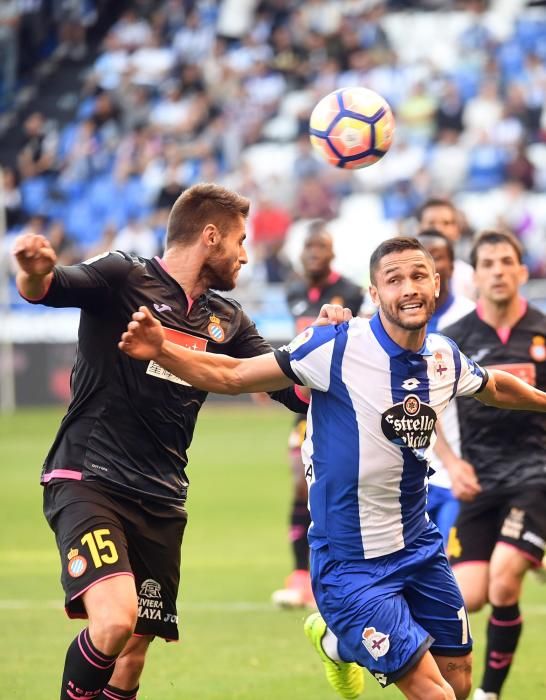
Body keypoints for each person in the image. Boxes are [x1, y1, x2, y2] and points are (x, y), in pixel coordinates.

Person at [119, 236, 546, 700]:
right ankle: (344, 629)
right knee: (436, 695)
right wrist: (162, 349)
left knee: (459, 680)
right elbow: (233, 375)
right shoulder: (334, 346)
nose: (409, 288)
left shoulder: (444, 355)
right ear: (375, 291)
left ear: (437, 283)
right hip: (350, 564)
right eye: (394, 279)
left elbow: (494, 386)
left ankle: (336, 643)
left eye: (419, 276)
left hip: (420, 548)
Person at [11, 182, 347, 700]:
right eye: (239, 240)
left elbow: (293, 392)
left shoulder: (228, 320)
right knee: (114, 620)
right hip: (89, 478)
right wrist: (33, 269)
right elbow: (45, 287)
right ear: (210, 237)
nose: (245, 254)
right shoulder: (124, 275)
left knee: (133, 655)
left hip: (163, 497)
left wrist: (326, 348)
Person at [439, 230, 546, 700]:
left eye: (507, 262)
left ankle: (488, 694)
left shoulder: (542, 331)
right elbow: (423, 408)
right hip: (479, 483)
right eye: (488, 263)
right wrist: (451, 463)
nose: (499, 271)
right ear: (475, 275)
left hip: (536, 477)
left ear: (522, 272)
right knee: (466, 599)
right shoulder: (455, 341)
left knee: (505, 579)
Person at [272, 220, 363, 608]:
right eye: (308, 247)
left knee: (339, 488)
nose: (313, 253)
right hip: (307, 403)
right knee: (299, 483)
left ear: (332, 253)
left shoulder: (353, 293)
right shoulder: (293, 291)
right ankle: (300, 577)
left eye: (320, 247)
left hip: (342, 403)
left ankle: (345, 574)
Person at [417, 230, 476, 545]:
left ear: (452, 267)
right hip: (413, 472)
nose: (427, 265)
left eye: (436, 256)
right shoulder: (399, 321)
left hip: (461, 468)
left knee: (456, 575)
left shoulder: (470, 319)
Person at [417, 198, 475, 300]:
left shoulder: (470, 278)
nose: (439, 229)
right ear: (419, 229)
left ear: (457, 230)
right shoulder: (406, 277)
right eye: (431, 223)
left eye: (446, 223)